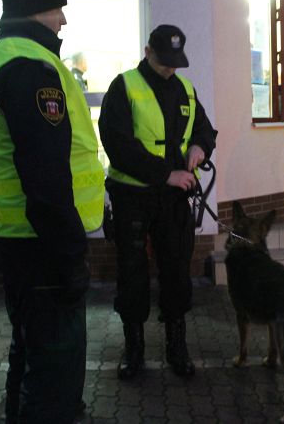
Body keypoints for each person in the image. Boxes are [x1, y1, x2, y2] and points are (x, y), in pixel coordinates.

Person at [0, 0, 105, 423]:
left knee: (30, 351)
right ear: (34, 10)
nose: (63, 20)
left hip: (20, 236)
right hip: (43, 242)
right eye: (56, 9)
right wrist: (69, 253)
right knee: (56, 369)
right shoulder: (29, 67)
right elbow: (45, 172)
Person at [98, 24, 217, 380]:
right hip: (133, 196)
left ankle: (176, 346)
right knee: (132, 273)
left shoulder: (185, 89)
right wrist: (166, 174)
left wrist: (200, 147)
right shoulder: (124, 87)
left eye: (175, 61)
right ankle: (133, 349)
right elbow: (118, 146)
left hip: (174, 199)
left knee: (177, 270)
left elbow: (204, 129)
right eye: (164, 60)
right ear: (147, 52)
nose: (170, 68)